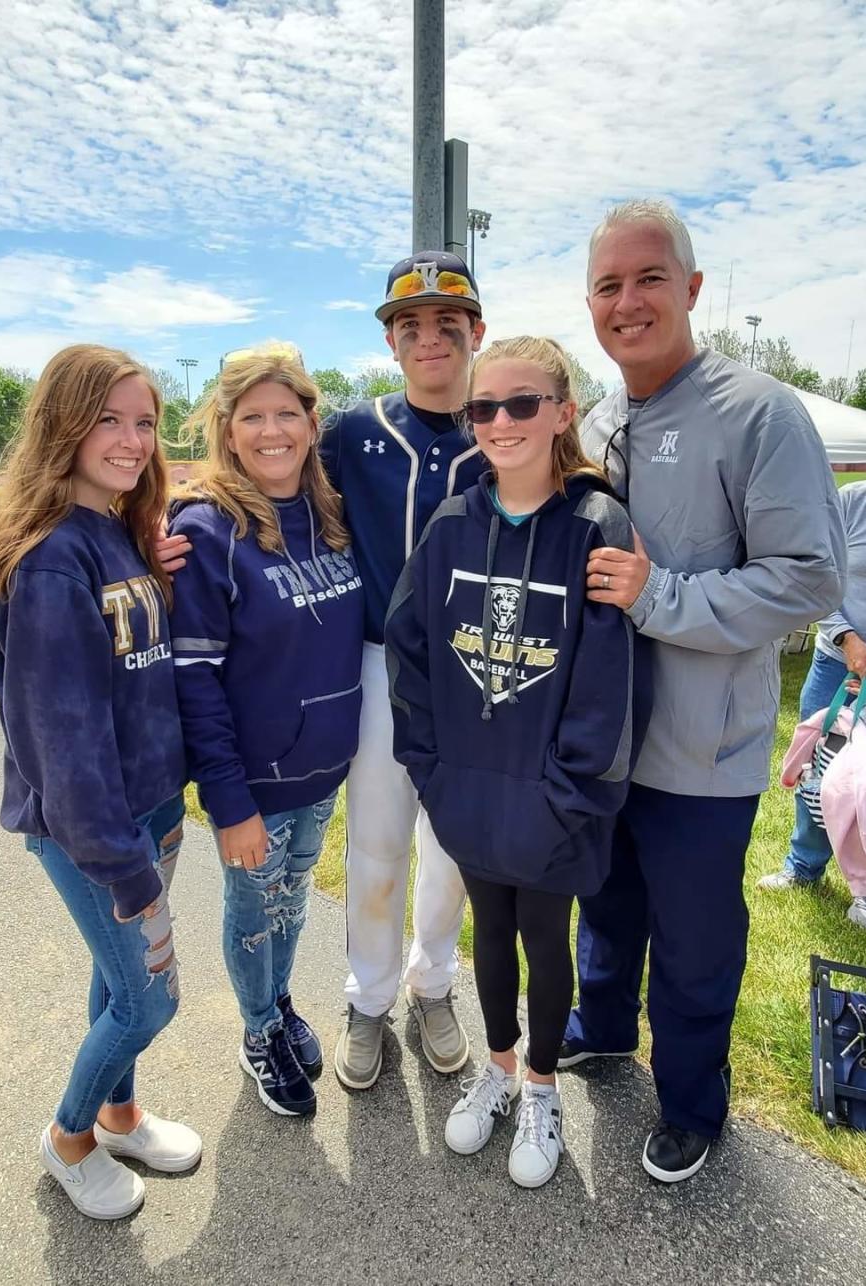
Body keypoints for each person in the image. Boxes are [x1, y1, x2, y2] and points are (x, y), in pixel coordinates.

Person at [564, 200, 846, 1183]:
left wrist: (662, 596)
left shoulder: (759, 412)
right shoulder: (593, 419)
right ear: (589, 303)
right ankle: (600, 1027)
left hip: (702, 755)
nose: (628, 300)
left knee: (693, 943)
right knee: (604, 907)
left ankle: (690, 1103)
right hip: (603, 743)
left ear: (690, 287)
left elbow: (810, 576)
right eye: (608, 284)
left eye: (649, 278)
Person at [386, 336, 650, 1188]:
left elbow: (608, 683)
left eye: (522, 404)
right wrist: (430, 769)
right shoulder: (453, 520)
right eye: (483, 408)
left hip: (554, 801)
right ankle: (496, 1071)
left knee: (544, 937)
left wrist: (570, 793)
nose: (500, 422)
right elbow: (411, 650)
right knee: (487, 934)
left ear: (563, 412)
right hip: (467, 791)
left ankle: (542, 1085)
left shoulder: (597, 524)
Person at [0, 344, 199, 1220]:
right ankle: (69, 1138)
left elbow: (133, 668)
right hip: (95, 833)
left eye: (144, 422)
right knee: (149, 1000)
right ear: (62, 424)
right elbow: (63, 746)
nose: (133, 440)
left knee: (116, 983)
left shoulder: (111, 534)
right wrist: (124, 864)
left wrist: (155, 570)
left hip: (150, 807)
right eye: (109, 418)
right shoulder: (50, 563)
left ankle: (120, 1113)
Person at [167, 345, 364, 1117]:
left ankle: (278, 1005)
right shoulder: (209, 527)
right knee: (254, 917)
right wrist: (229, 802)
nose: (273, 430)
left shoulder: (328, 514)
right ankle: (256, 1032)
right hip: (254, 785)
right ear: (227, 426)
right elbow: (196, 681)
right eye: (254, 416)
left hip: (321, 773)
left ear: (313, 424)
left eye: (288, 413)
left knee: (291, 905)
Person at [319, 252, 488, 1090]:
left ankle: (434, 985)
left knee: (454, 848)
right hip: (381, 668)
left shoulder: (504, 427)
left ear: (475, 333)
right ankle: (369, 996)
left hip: (475, 676)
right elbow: (273, 494)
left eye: (446, 323)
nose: (429, 337)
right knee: (379, 847)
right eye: (409, 324)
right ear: (391, 341)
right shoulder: (353, 431)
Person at [758, 424, 866, 929]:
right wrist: (846, 638)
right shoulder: (852, 503)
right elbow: (817, 578)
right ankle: (803, 866)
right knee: (819, 772)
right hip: (836, 666)